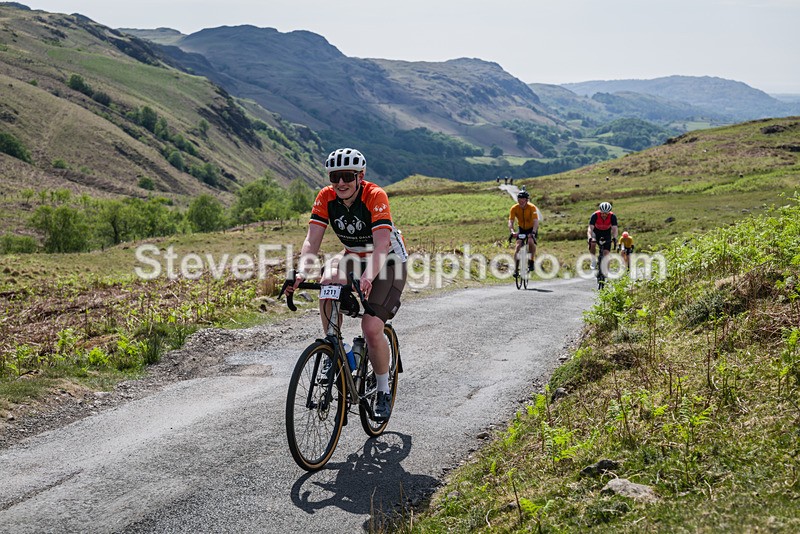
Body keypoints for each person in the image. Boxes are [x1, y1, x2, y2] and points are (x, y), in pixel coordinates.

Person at [289, 148, 408, 421]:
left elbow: (380, 246)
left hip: (388, 262)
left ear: (360, 176)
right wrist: (300, 271)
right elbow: (312, 240)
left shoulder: (375, 196)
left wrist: (367, 277)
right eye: (334, 177)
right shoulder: (326, 197)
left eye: (346, 176)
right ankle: (333, 348)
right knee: (328, 280)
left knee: (370, 327)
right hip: (354, 256)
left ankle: (381, 390)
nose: (340, 183)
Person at [508, 189, 539, 276]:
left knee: (530, 242)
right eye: (519, 200)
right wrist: (512, 231)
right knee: (518, 247)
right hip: (521, 228)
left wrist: (533, 232)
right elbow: (511, 221)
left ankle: (531, 260)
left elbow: (536, 221)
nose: (521, 202)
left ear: (526, 200)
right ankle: (516, 269)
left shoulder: (532, 208)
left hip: (531, 228)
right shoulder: (514, 208)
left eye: (523, 200)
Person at [587, 201, 618, 274]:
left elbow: (614, 228)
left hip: (606, 233)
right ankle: (593, 260)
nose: (604, 215)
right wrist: (589, 237)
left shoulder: (612, 216)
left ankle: (606, 273)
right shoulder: (595, 215)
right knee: (593, 243)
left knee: (606, 253)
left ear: (609, 212)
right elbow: (590, 228)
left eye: (606, 213)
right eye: (602, 213)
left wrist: (615, 238)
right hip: (596, 232)